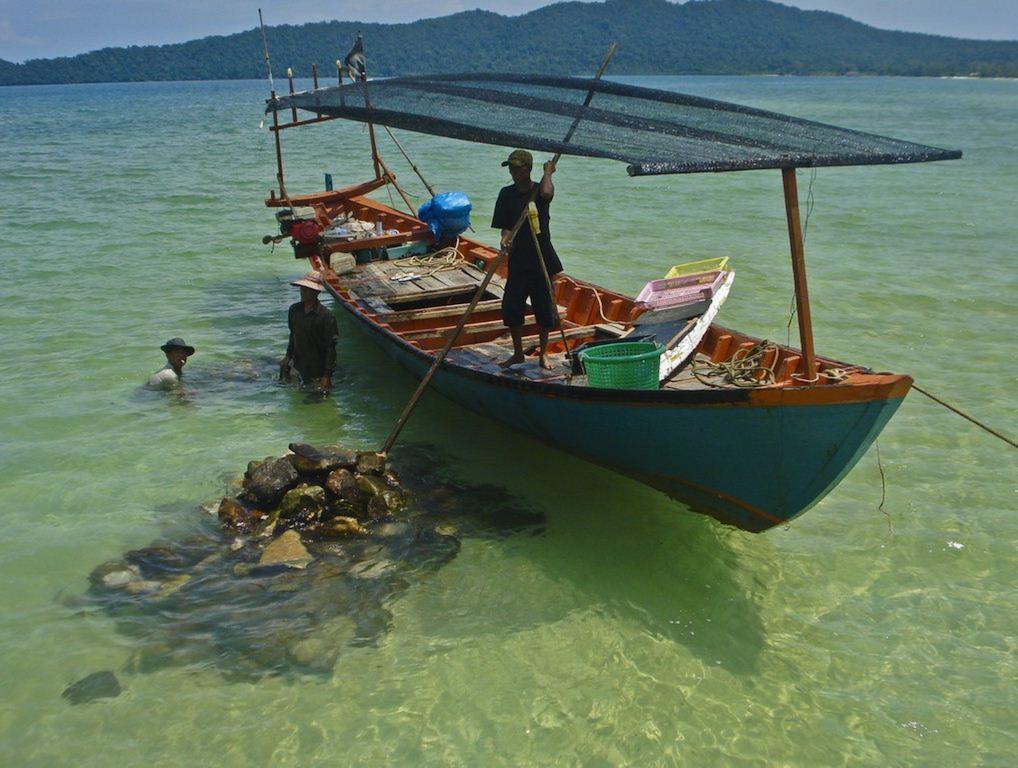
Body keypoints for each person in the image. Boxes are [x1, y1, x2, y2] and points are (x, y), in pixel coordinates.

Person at [490, 148, 562, 369]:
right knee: (511, 306)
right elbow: (504, 228)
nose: (512, 171)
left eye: (516, 167)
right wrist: (505, 239)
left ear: (528, 169)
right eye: (510, 167)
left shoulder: (540, 191)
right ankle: (518, 353)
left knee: (545, 309)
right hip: (519, 259)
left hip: (541, 257)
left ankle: (544, 353)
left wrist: (548, 172)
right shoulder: (506, 194)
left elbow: (548, 194)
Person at [279, 271, 338, 393]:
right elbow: (293, 335)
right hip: (298, 364)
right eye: (302, 288)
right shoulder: (294, 310)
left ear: (316, 292)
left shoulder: (326, 316)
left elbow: (330, 348)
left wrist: (327, 376)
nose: (303, 292)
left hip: (317, 369)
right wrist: (287, 356)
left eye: (307, 289)